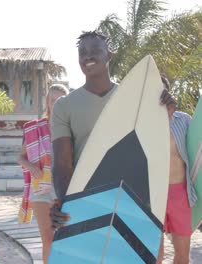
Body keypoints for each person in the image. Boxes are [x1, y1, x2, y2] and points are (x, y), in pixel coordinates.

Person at [49, 31, 177, 232]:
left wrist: (164, 115)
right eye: (82, 52)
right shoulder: (64, 106)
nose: (87, 56)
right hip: (87, 197)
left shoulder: (136, 99)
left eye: (95, 51)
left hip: (130, 198)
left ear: (109, 55)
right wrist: (69, 206)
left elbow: (152, 149)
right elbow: (62, 165)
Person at [17, 84, 69, 263]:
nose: (56, 104)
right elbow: (21, 157)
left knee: (66, 240)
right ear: (47, 103)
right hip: (41, 191)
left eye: (60, 101)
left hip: (66, 191)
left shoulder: (72, 129)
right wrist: (32, 168)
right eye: (52, 100)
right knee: (48, 241)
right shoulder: (35, 128)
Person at [156, 76, 196, 264]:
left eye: (162, 91)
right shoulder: (142, 125)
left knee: (182, 255)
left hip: (180, 193)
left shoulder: (184, 120)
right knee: (156, 254)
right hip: (153, 195)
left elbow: (197, 151)